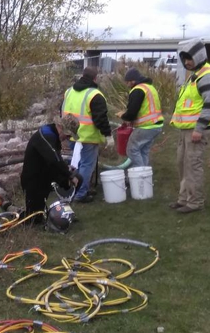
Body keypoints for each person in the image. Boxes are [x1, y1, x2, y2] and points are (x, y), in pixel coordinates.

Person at [169, 39, 210, 214]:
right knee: (182, 164)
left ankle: (195, 201)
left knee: (193, 166)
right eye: (184, 59)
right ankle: (184, 199)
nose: (186, 62)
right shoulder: (195, 75)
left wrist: (199, 129)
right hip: (186, 130)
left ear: (198, 56)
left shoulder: (207, 76)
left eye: (189, 58)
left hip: (197, 131)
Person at [62, 66, 111, 203]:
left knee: (76, 163)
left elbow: (63, 111)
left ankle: (72, 190)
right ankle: (80, 193)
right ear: (95, 78)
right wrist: (108, 135)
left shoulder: (69, 91)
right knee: (86, 165)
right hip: (87, 137)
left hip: (71, 135)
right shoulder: (95, 95)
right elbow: (101, 118)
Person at [20, 114, 82, 222]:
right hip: (34, 180)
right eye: (67, 136)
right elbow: (54, 159)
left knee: (78, 178)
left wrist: (68, 172)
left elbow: (55, 160)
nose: (67, 139)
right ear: (62, 128)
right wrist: (69, 175)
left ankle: (65, 211)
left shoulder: (53, 134)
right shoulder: (47, 134)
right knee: (35, 219)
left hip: (47, 174)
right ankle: (15, 213)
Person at [115, 68, 163, 168]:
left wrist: (122, 115)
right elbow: (144, 108)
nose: (127, 85)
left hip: (146, 127)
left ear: (133, 81)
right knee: (143, 151)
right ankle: (143, 179)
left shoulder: (137, 90)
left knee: (132, 150)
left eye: (128, 82)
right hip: (156, 125)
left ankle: (140, 175)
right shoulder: (150, 87)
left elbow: (131, 114)